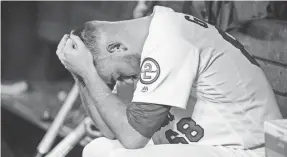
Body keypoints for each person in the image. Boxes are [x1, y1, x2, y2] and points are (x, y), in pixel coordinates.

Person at [56, 6, 282, 157]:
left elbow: (132, 138)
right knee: (97, 149)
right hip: (204, 145)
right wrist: (81, 74)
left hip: (243, 149)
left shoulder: (168, 40)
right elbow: (111, 131)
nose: (124, 81)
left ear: (116, 48)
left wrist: (88, 72)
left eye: (116, 76)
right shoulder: (144, 45)